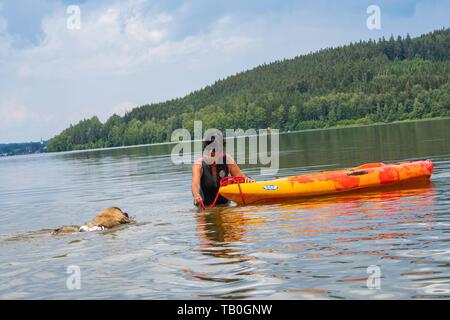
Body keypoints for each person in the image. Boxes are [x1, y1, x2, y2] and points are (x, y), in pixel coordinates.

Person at [192, 134, 254, 207]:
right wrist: (196, 195)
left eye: (217, 150)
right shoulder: (198, 165)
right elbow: (195, 185)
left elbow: (240, 178)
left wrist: (247, 179)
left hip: (225, 206)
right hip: (205, 208)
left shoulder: (227, 160)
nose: (213, 153)